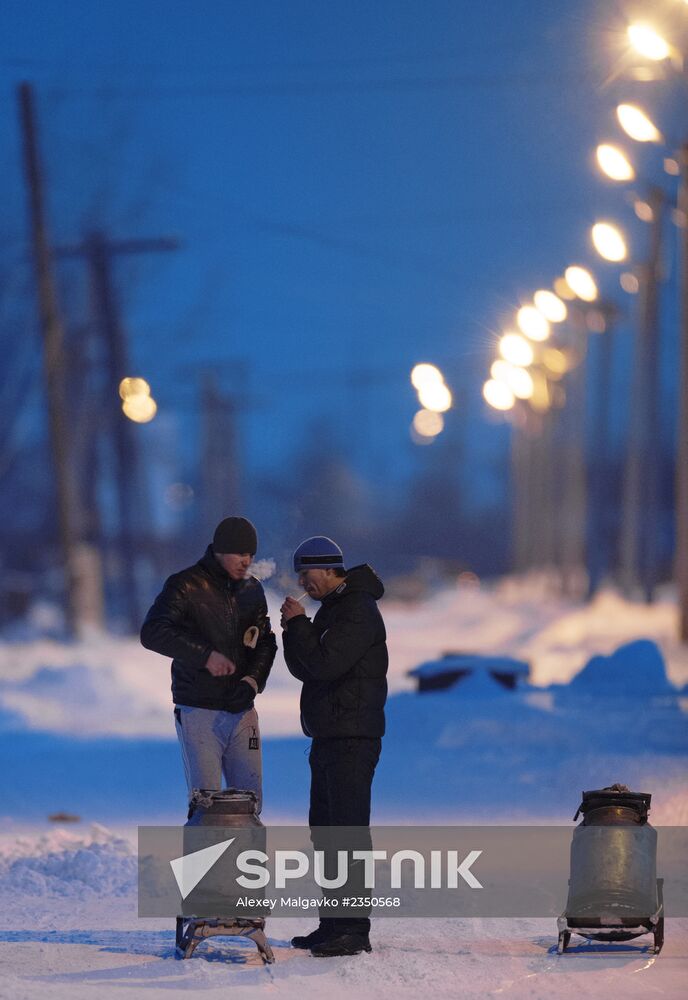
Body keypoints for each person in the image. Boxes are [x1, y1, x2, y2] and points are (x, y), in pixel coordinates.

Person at [280, 536, 388, 957]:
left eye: (307, 574)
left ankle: (354, 929)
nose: (303, 582)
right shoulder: (335, 609)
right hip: (329, 736)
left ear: (328, 569)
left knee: (347, 833)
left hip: (352, 738)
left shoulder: (358, 609)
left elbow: (325, 664)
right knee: (326, 833)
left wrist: (300, 625)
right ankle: (333, 923)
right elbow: (305, 667)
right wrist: (294, 628)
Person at [140, 516, 277, 813]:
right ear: (219, 550)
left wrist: (251, 681)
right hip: (199, 709)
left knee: (250, 802)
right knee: (207, 802)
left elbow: (265, 641)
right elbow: (153, 632)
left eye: (251, 555)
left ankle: (247, 859)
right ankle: (207, 859)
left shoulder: (252, 590)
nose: (247, 561)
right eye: (240, 554)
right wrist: (205, 655)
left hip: (242, 710)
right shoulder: (186, 585)